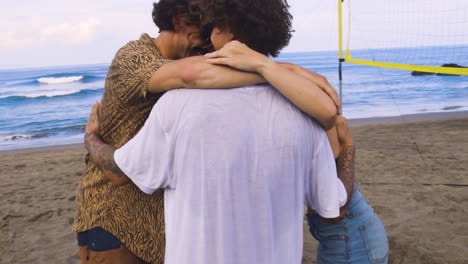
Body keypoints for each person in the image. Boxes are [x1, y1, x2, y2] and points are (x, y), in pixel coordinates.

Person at [82, 0, 356, 263]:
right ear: (179, 19)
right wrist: (278, 70)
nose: (207, 33)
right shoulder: (135, 58)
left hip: (157, 226)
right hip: (115, 220)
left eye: (212, 22)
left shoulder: (185, 88)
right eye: (202, 22)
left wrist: (269, 69)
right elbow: (191, 75)